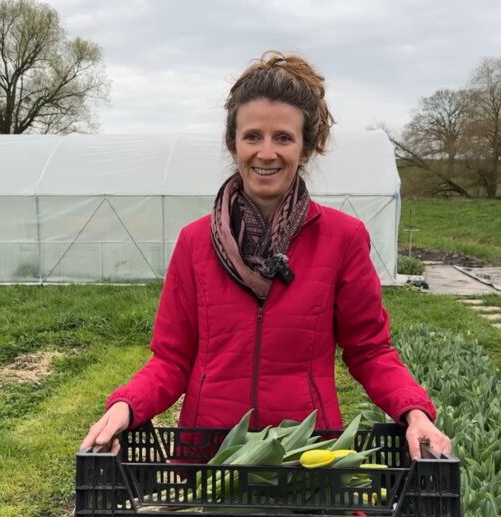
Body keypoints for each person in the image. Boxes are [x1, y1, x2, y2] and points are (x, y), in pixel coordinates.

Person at [81, 52, 451, 459]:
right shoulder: (195, 242)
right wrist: (126, 405)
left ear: (306, 149)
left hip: (304, 456)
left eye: (284, 138)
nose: (267, 152)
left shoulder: (342, 239)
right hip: (208, 457)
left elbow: (369, 350)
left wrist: (414, 410)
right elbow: (171, 358)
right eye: (253, 136)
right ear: (233, 143)